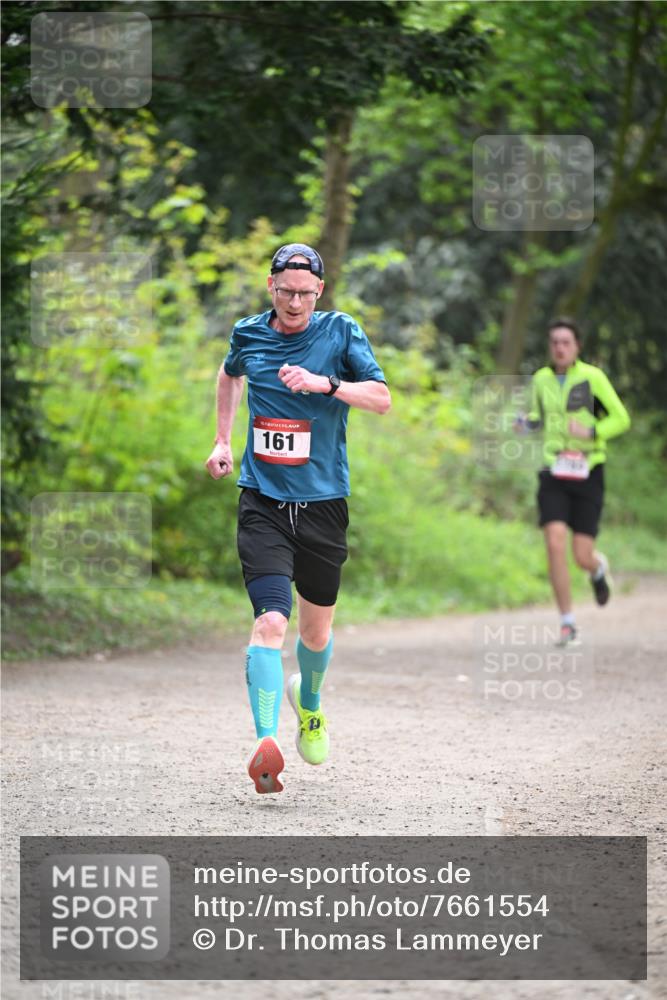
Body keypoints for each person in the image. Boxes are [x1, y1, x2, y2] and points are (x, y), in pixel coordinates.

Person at [205, 243, 391, 793]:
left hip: (323, 506)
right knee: (270, 623)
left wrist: (324, 384)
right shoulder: (249, 333)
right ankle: (266, 742)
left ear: (320, 293)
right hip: (261, 501)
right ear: (270, 287)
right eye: (285, 291)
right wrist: (222, 440)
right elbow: (229, 374)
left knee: (315, 633)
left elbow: (381, 398)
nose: (294, 302)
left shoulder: (340, 332)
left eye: (304, 293)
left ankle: (309, 704)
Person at [518, 318, 630, 646]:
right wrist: (526, 424)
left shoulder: (593, 378)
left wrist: (593, 432)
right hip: (554, 469)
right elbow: (538, 419)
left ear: (577, 346)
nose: (560, 348)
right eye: (555, 342)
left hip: (588, 470)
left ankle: (595, 569)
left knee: (581, 554)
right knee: (554, 542)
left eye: (566, 342)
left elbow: (621, 418)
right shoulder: (541, 379)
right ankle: (567, 623)